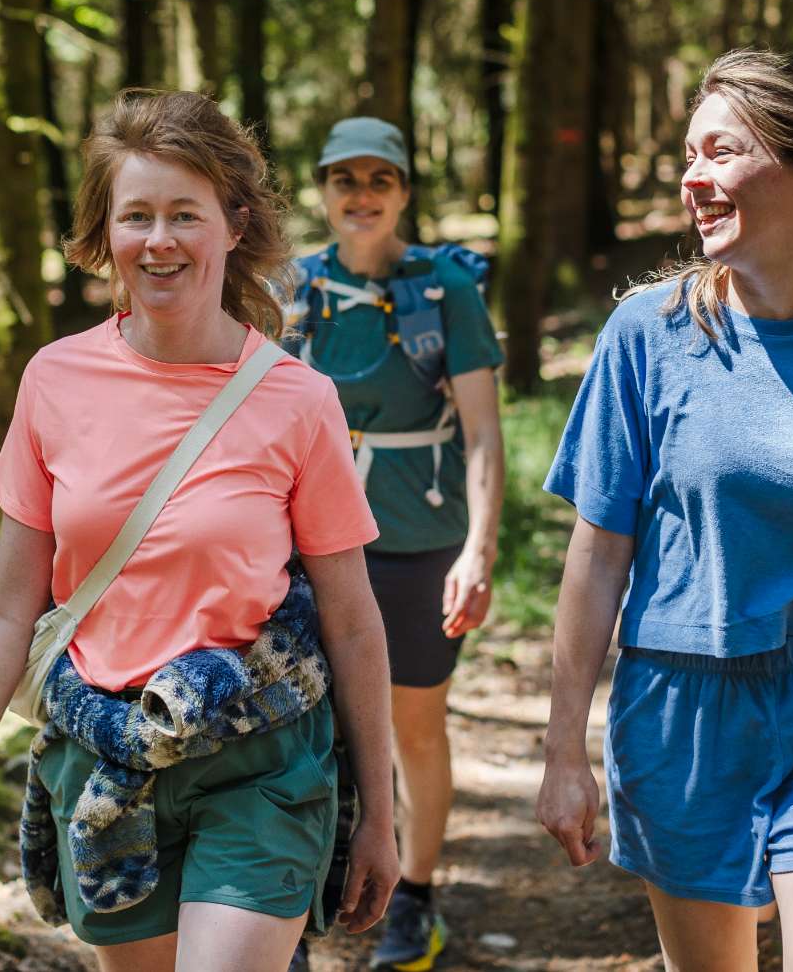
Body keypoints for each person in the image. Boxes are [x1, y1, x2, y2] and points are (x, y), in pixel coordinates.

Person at [0, 90, 399, 972]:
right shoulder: (54, 381)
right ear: (105, 233)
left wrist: (381, 817)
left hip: (260, 764)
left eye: (185, 214)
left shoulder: (298, 401)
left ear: (234, 224)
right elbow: (5, 607)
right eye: (135, 216)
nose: (159, 240)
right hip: (103, 767)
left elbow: (353, 618)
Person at [537, 48, 793, 971]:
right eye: (689, 155)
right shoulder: (647, 336)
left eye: (721, 152)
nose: (693, 177)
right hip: (684, 711)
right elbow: (598, 557)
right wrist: (565, 751)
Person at [283, 116, 506, 971]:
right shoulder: (293, 288)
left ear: (405, 190)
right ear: (324, 190)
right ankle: (298, 904)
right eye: (346, 179)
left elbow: (483, 433)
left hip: (419, 541)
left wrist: (479, 549)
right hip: (310, 548)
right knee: (307, 728)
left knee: (414, 725)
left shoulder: (447, 287)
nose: (361, 195)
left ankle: (414, 898)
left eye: (380, 179)